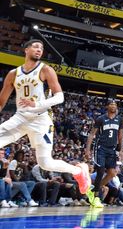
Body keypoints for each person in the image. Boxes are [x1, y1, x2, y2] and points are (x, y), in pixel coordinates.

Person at [0, 40, 91, 198]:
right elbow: (1, 101)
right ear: (26, 49)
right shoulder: (13, 74)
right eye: (35, 47)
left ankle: (79, 170)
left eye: (41, 48)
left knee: (45, 163)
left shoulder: (45, 70)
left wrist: (37, 103)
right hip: (20, 117)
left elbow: (60, 97)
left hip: (40, 119)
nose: (39, 50)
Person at [84, 100, 123, 208]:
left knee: (112, 173)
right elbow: (92, 134)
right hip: (100, 147)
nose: (113, 106)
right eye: (111, 104)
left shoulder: (119, 119)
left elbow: (120, 136)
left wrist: (121, 150)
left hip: (112, 149)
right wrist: (88, 149)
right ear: (107, 106)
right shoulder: (101, 118)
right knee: (101, 170)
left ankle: (93, 189)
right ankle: (96, 197)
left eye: (115, 105)